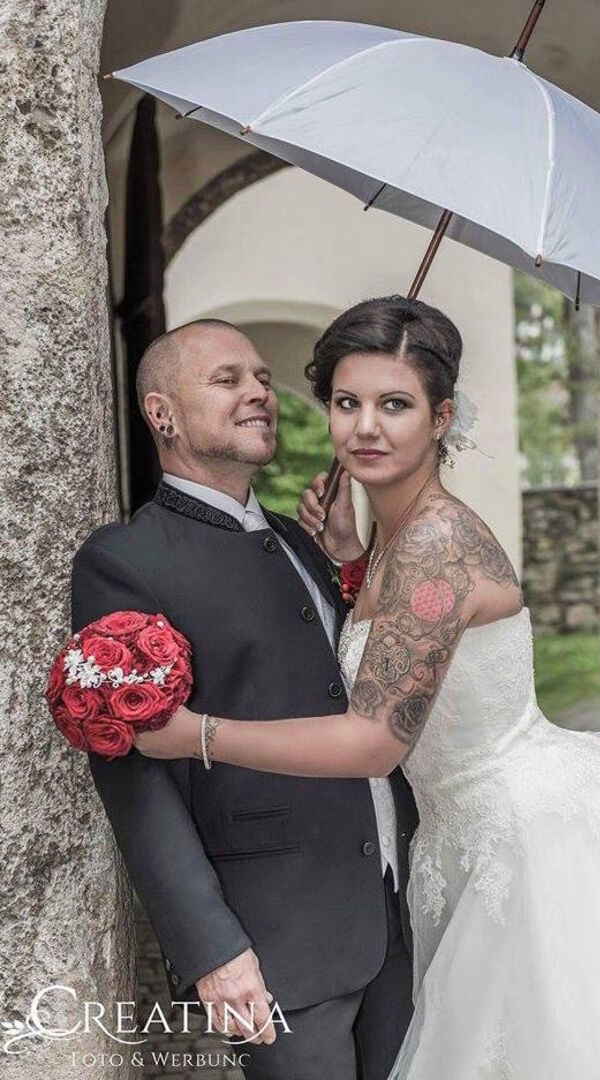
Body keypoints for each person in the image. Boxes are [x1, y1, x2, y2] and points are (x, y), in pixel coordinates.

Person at [137, 295, 600, 1080]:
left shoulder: (435, 543)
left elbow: (373, 741)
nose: (365, 427)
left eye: (394, 405)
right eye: (346, 403)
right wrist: (351, 561)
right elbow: (409, 645)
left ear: (441, 417)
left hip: (525, 842)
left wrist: (197, 733)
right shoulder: (394, 537)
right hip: (455, 842)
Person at [71, 318, 417, 1080]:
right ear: (162, 414)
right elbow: (131, 776)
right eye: (228, 379)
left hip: (394, 910)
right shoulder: (124, 562)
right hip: (277, 944)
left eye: (262, 378)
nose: (259, 391)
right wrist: (212, 949)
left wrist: (348, 560)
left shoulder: (298, 542)